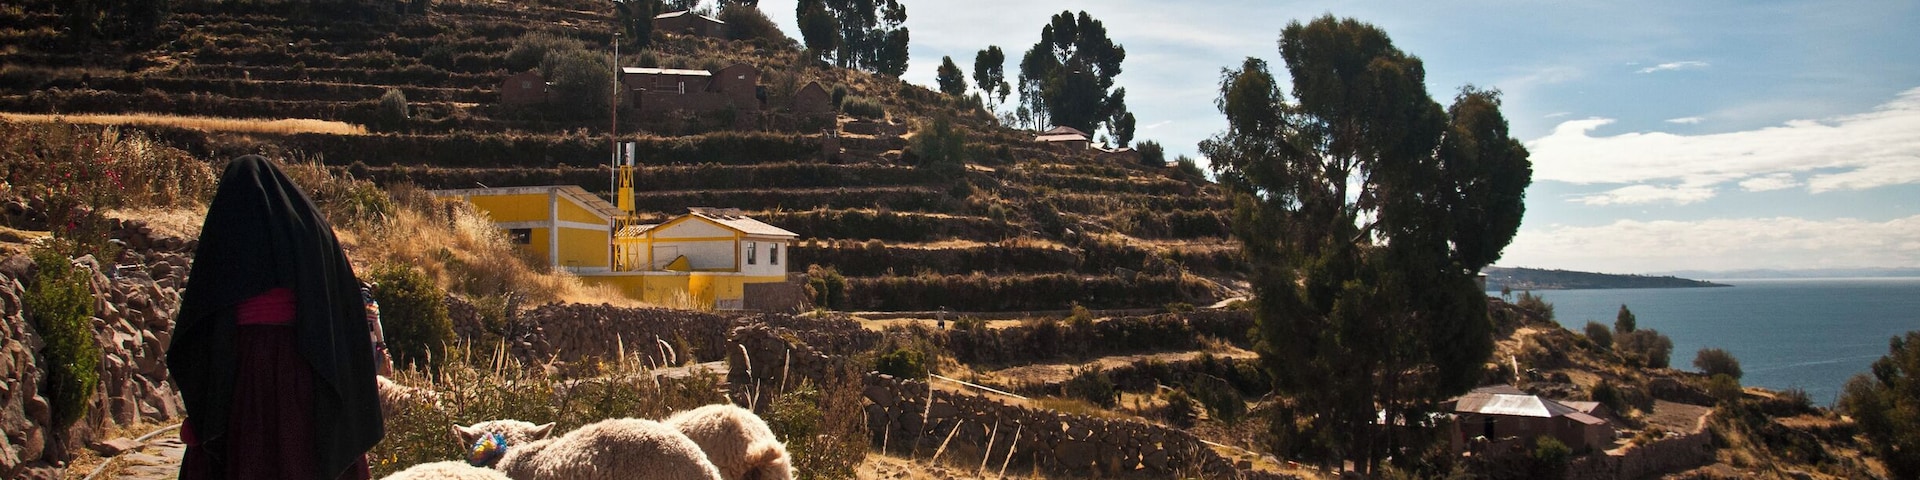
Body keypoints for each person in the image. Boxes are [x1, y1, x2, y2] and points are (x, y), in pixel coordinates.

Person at [168, 155, 384, 480]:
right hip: (308, 366)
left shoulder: (229, 229)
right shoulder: (310, 229)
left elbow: (203, 314)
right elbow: (343, 305)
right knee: (302, 455)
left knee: (251, 454)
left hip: (245, 371)